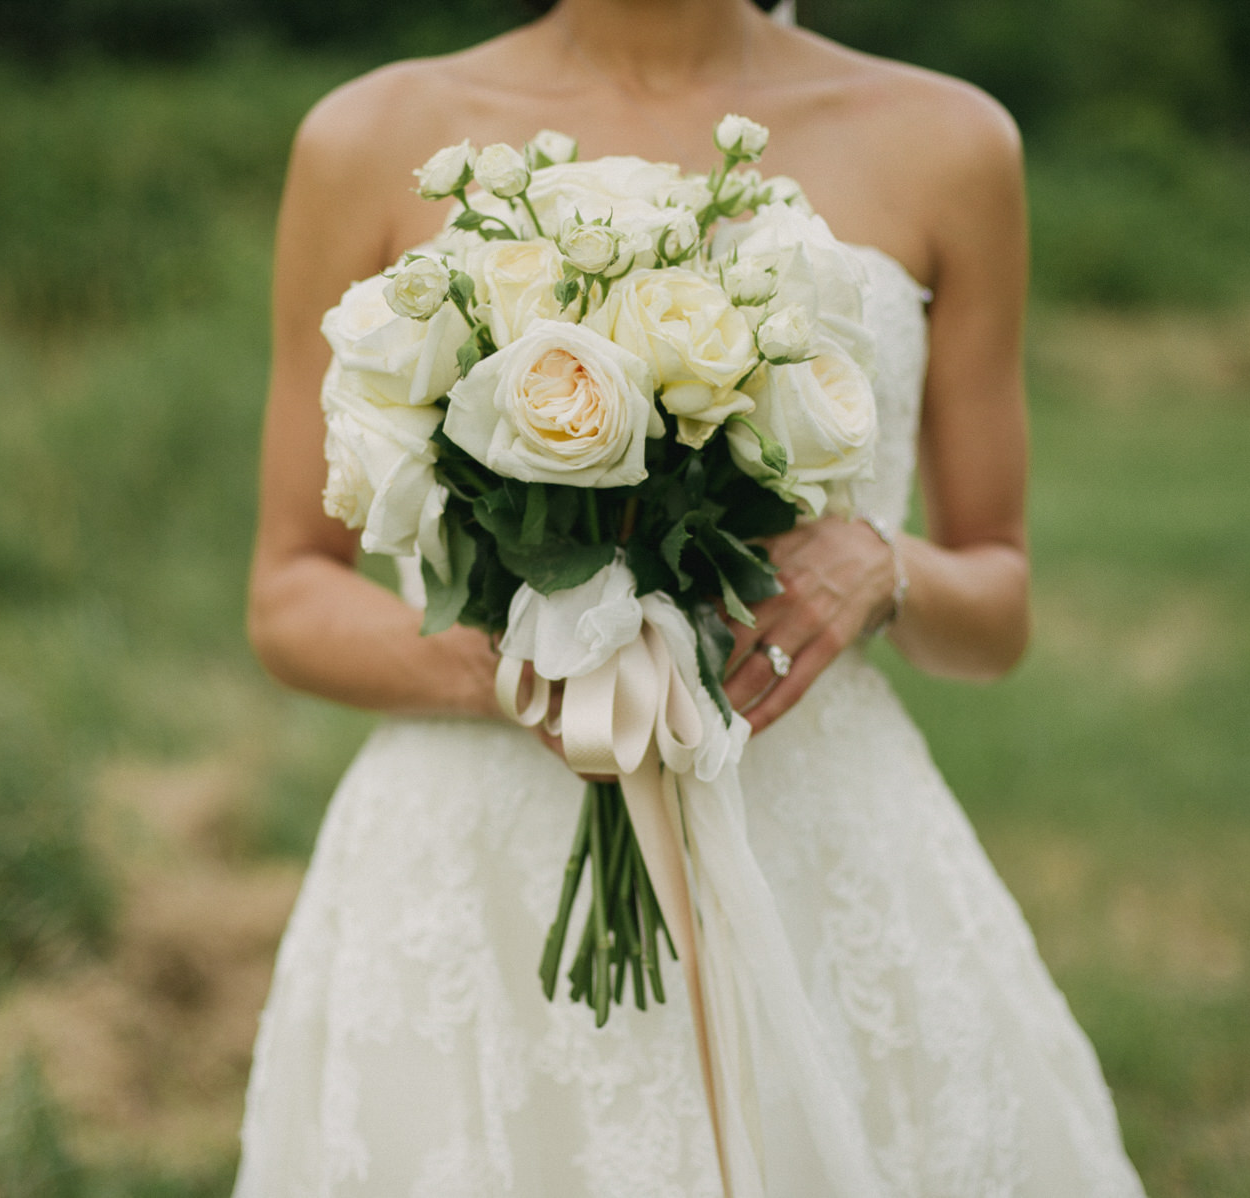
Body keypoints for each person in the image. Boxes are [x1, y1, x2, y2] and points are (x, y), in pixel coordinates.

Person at [236, 0, 1148, 1193]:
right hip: (471, 879)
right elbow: (290, 593)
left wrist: (888, 568)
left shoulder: (951, 141)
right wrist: (529, 669)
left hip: (813, 852)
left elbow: (1001, 603)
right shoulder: (369, 134)